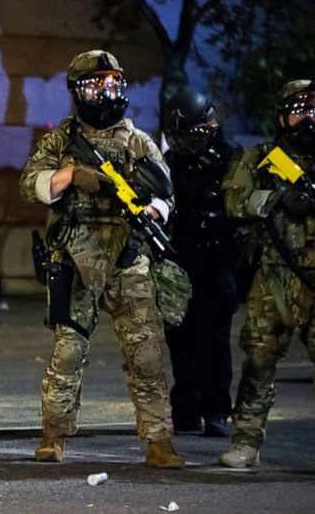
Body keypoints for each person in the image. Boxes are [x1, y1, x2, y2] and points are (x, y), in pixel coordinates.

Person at [19, 49, 184, 468]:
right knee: (68, 353)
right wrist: (72, 175)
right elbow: (30, 185)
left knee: (146, 353)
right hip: (77, 259)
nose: (105, 92)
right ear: (78, 91)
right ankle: (53, 436)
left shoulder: (137, 141)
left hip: (129, 257)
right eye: (96, 85)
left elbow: (167, 194)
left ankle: (159, 439)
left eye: (112, 83)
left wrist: (152, 210)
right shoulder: (61, 140)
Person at [219, 79, 315, 468]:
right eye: (299, 110)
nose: (308, 118)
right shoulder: (262, 157)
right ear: (282, 116)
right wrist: (277, 197)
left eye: (314, 110)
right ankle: (246, 441)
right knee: (258, 361)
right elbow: (233, 199)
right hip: (272, 278)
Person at [161, 88, 240, 437]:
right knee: (181, 338)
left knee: (214, 339)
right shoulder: (173, 161)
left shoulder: (230, 158)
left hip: (216, 259)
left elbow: (241, 208)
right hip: (180, 260)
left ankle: (217, 410)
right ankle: (187, 410)